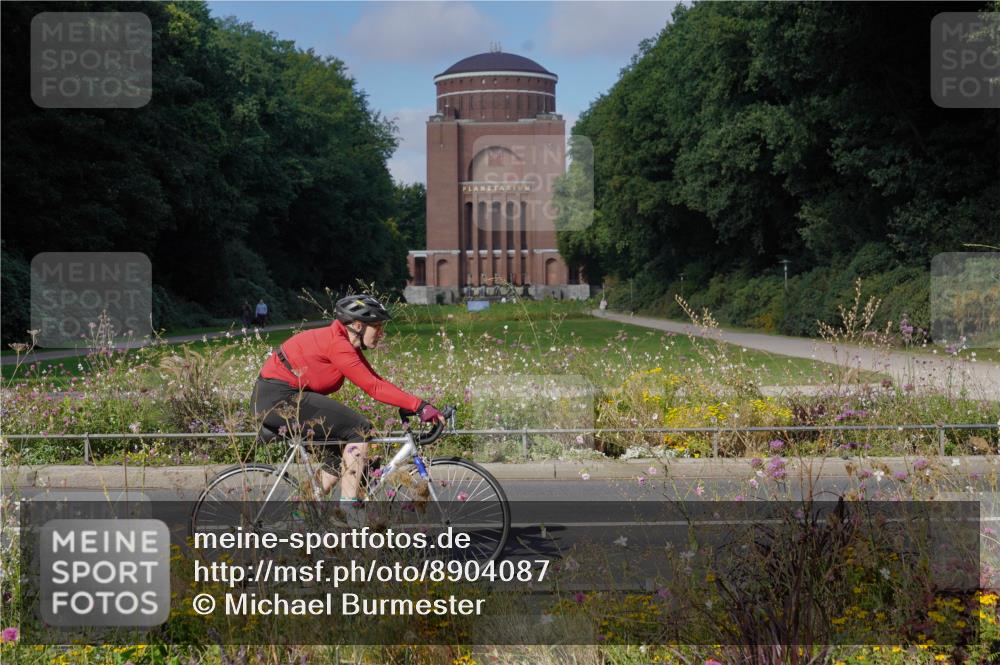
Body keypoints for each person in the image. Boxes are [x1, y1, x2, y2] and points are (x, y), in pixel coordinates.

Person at [251, 294, 445, 503]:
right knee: (359, 429)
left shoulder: (343, 341)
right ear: (359, 325)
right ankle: (349, 514)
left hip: (280, 396)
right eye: (377, 326)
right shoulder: (337, 344)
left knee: (339, 455)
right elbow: (374, 388)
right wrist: (420, 406)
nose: (381, 333)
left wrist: (413, 404)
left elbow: (375, 380)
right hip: (278, 399)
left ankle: (302, 512)